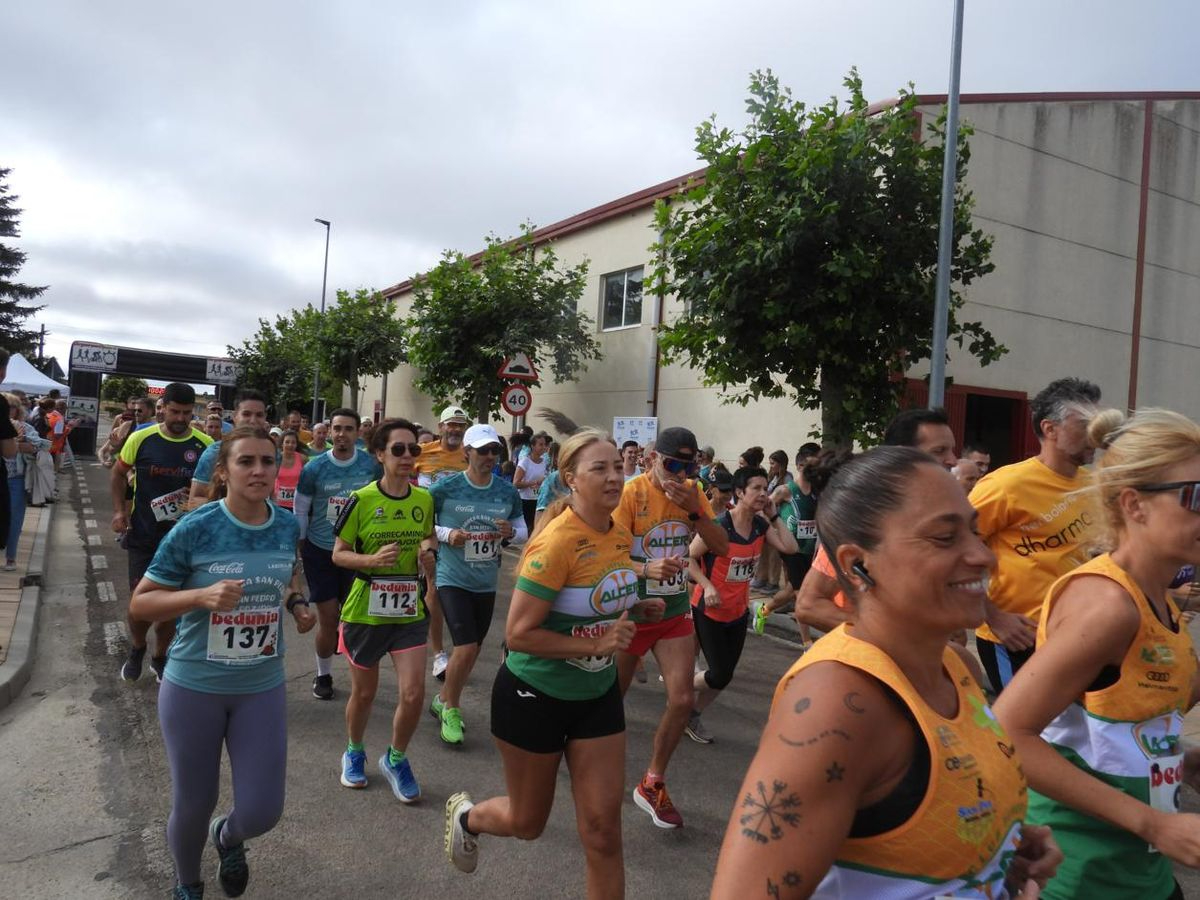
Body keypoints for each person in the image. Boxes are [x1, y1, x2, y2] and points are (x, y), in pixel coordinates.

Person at [710, 446, 1061, 899]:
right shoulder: (837, 703)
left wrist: (1001, 845)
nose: (983, 557)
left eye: (975, 533)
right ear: (858, 565)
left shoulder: (958, 667)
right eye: (944, 537)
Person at [443, 429, 673, 897]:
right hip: (534, 696)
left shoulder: (619, 531)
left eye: (617, 466)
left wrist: (634, 606)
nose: (614, 477)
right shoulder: (556, 543)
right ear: (570, 477)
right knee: (528, 823)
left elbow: (598, 596)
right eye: (600, 469)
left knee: (604, 833)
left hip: (596, 697)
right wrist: (598, 643)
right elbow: (519, 635)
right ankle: (467, 816)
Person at [994, 408, 1200, 900]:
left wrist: (1180, 760)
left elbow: (1109, 729)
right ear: (1134, 504)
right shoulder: (1108, 606)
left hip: (1135, 873)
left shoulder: (1159, 600)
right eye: (1196, 497)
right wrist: (1152, 823)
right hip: (1076, 877)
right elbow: (1007, 733)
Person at [128, 426, 316, 900]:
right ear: (224, 472)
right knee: (194, 802)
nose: (258, 470)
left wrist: (296, 603)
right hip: (195, 683)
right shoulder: (197, 527)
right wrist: (200, 596)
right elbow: (141, 603)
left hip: (261, 683)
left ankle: (228, 837)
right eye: (246, 461)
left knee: (263, 810)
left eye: (267, 462)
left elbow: (286, 573)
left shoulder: (285, 524)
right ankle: (187, 884)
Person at [613, 426, 725, 829]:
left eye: (688, 465)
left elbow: (722, 545)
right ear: (651, 459)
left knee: (680, 700)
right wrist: (645, 568)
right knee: (611, 702)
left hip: (674, 612)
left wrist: (696, 510)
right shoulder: (630, 494)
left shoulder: (693, 492)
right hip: (633, 609)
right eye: (672, 464)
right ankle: (583, 754)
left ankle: (652, 781)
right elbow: (607, 555)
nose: (679, 473)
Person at [972, 377, 1102, 693]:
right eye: (1083, 424)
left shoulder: (1095, 485)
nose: (1094, 434)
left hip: (1076, 636)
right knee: (1021, 734)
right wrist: (994, 616)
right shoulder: (1006, 485)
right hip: (1018, 638)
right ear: (1049, 429)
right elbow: (951, 550)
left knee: (1070, 739)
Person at [331, 418, 435, 801]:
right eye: (398, 449)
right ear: (379, 454)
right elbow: (338, 555)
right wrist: (371, 561)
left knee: (413, 693)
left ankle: (395, 758)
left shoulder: (424, 499)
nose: (408, 456)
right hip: (365, 611)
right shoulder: (361, 500)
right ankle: (354, 751)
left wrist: (429, 556)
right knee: (365, 694)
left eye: (414, 449)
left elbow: (427, 538)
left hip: (407, 609)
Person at [796, 408, 958, 639]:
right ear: (902, 456)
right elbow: (809, 605)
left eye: (952, 449)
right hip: (869, 660)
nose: (952, 460)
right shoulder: (863, 518)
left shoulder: (943, 511)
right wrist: (895, 635)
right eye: (939, 451)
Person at [427, 423, 526, 744]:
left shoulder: (507, 491)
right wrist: (447, 534)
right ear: (466, 452)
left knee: (471, 651)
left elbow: (523, 531)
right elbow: (424, 525)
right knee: (466, 646)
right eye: (482, 450)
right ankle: (452, 708)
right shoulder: (444, 489)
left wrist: (510, 533)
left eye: (495, 450)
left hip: (485, 581)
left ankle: (442, 698)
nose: (489, 456)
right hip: (451, 577)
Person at [685, 466, 798, 743]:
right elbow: (687, 559)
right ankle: (681, 693)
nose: (763, 493)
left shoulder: (760, 526)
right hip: (709, 609)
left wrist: (773, 515)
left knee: (724, 676)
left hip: (737, 612)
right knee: (719, 674)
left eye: (765, 488)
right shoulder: (720, 525)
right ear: (739, 492)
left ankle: (691, 714)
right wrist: (708, 585)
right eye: (756, 488)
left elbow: (790, 547)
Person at [112, 382, 213, 683]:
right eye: (175, 412)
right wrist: (119, 511)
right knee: (138, 603)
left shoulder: (204, 445)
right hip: (143, 533)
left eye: (187, 412)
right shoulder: (141, 438)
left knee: (172, 604)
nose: (181, 418)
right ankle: (138, 647)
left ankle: (160, 654)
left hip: (183, 539)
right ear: (163, 409)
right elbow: (118, 474)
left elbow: (216, 489)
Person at [294, 408, 381, 701]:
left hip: (359, 552)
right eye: (337, 428)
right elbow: (301, 508)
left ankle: (360, 672)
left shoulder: (370, 466)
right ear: (330, 432)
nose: (342, 434)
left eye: (348, 429)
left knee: (358, 619)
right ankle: (323, 674)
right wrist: (301, 541)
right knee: (328, 618)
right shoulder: (314, 468)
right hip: (321, 550)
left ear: (358, 433)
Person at [415, 405, 472, 683]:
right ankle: (438, 654)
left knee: (463, 591)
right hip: (429, 531)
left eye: (460, 425)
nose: (455, 430)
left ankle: (463, 647)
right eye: (451, 424)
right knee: (434, 590)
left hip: (462, 534)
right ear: (440, 427)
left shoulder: (469, 454)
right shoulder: (423, 453)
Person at [754, 442, 822, 637]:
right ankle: (806, 644)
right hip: (791, 549)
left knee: (793, 589)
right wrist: (773, 533)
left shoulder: (817, 491)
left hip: (811, 548)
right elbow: (763, 510)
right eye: (811, 466)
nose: (815, 470)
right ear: (800, 466)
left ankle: (763, 609)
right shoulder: (786, 490)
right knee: (801, 595)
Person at [187, 390, 270, 509]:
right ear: (235, 417)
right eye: (246, 414)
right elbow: (194, 500)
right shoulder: (214, 452)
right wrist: (233, 508)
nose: (253, 420)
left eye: (259, 415)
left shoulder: (273, 454)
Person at [6, 393, 48, 569]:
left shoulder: (25, 428)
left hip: (16, 479)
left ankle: (11, 558)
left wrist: (21, 440)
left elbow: (41, 446)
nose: (7, 411)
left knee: (15, 519)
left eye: (11, 407)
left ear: (17, 410)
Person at [513, 431, 550, 532]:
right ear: (533, 446)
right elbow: (516, 483)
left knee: (536, 529)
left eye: (545, 444)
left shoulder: (544, 461)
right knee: (526, 529)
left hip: (539, 500)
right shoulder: (525, 462)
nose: (543, 447)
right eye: (540, 444)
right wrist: (533, 483)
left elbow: (544, 478)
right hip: (525, 500)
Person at [273, 430, 304, 511]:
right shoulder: (275, 458)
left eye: (293, 442)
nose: (290, 445)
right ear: (282, 444)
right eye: (287, 442)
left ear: (296, 445)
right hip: (277, 503)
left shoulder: (303, 459)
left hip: (297, 503)